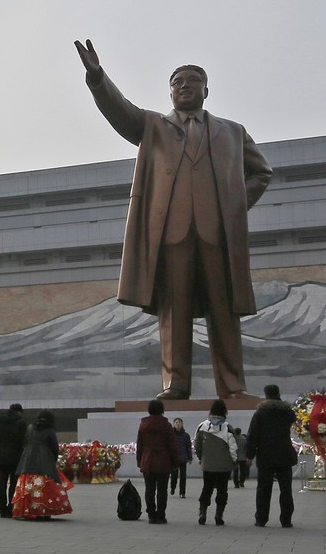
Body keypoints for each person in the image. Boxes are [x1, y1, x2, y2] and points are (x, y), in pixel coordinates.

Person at [75, 40, 272, 400]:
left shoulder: (232, 131)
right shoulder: (152, 126)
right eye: (178, 81)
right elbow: (120, 111)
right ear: (170, 91)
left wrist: (234, 208)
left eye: (193, 81)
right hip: (171, 235)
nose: (185, 86)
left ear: (206, 90)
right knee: (173, 311)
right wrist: (98, 78)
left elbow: (261, 173)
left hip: (218, 236)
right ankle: (175, 384)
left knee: (224, 311)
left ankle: (233, 386)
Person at [244, 384, 298, 527]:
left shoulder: (260, 413)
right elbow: (294, 419)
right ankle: (286, 520)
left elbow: (253, 435)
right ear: (279, 393)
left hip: (265, 454)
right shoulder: (288, 412)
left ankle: (261, 519)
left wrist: (249, 454)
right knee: (286, 489)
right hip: (284, 454)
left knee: (263, 489)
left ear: (266, 394)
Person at [11, 409, 72, 519]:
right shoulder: (50, 430)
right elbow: (54, 447)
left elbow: (25, 441)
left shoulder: (30, 427)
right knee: (44, 486)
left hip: (28, 459)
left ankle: (27, 509)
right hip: (44, 459)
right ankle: (43, 510)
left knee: (28, 484)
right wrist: (53, 459)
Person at [135, 399, 179, 524]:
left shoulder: (143, 425)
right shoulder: (166, 425)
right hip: (163, 461)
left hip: (147, 461)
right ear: (162, 410)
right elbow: (172, 446)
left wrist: (140, 461)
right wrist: (175, 463)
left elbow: (140, 445)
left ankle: (151, 515)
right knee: (162, 490)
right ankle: (160, 515)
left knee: (149, 489)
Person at [194, 400, 237, 526]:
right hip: (224, 465)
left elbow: (197, 445)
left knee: (207, 488)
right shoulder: (227, 427)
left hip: (208, 464)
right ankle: (219, 515)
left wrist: (201, 458)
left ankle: (203, 513)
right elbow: (233, 447)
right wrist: (234, 461)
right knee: (222, 490)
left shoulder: (202, 426)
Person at [0, 402, 26, 519]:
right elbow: (24, 441)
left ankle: (1, 509)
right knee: (14, 484)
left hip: (1, 457)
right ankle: (11, 508)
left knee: (2, 484)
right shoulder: (21, 423)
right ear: (19, 412)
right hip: (16, 458)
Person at [169, 418, 193, 498]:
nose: (177, 424)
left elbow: (188, 447)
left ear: (182, 424)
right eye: (176, 422)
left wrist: (190, 457)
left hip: (183, 458)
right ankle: (172, 488)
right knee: (174, 475)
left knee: (183, 476)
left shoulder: (186, 435)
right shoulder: (171, 434)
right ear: (174, 424)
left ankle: (182, 492)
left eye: (179, 423)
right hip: (174, 458)